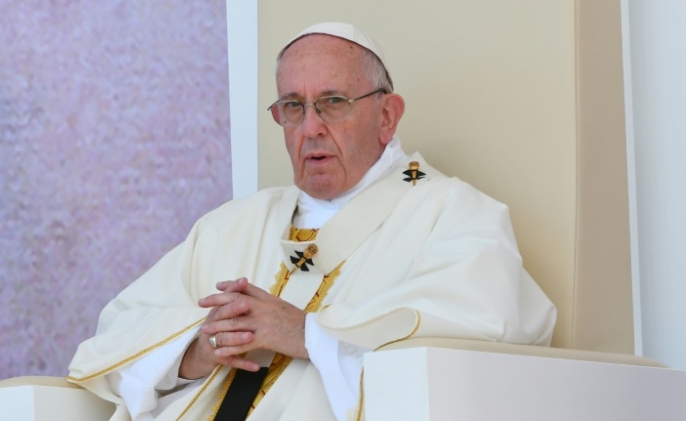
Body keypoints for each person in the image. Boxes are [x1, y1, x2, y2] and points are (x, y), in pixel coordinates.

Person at [68, 22, 556, 421]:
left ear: (388, 116)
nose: (311, 128)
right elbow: (113, 336)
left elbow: (481, 342)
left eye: (333, 102)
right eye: (293, 108)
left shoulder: (452, 215)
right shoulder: (233, 225)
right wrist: (196, 351)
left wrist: (307, 334)